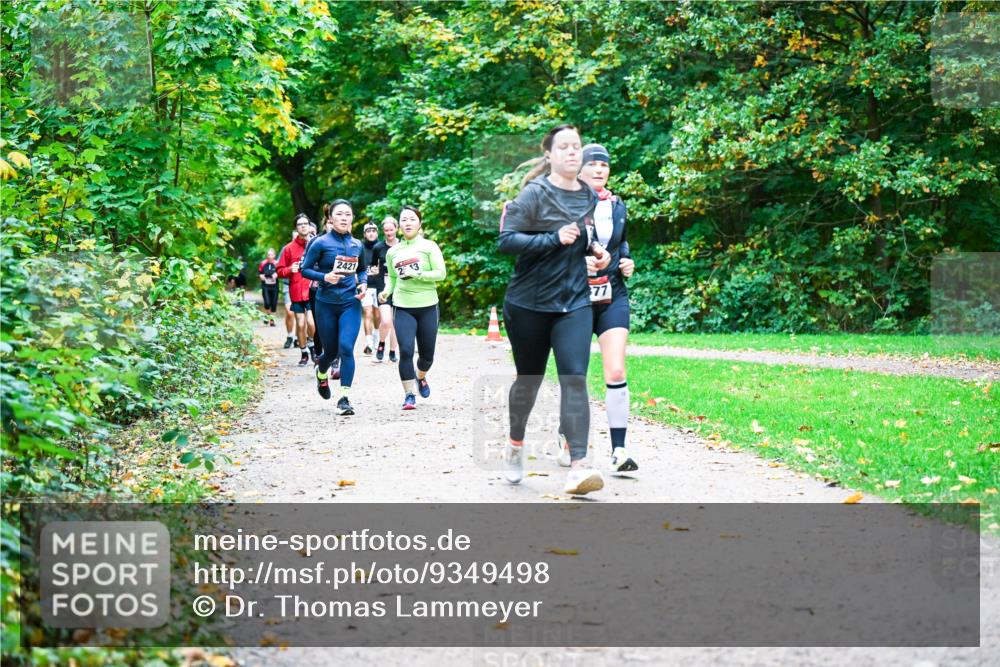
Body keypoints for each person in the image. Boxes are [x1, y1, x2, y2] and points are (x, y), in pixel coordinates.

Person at [497, 124, 610, 496]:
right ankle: (515, 444)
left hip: (573, 301)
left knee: (574, 378)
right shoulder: (534, 194)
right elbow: (507, 241)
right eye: (564, 147)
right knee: (528, 379)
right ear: (549, 154)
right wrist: (552, 238)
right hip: (528, 303)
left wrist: (595, 252)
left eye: (576, 147)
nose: (572, 153)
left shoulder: (588, 197)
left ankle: (578, 466)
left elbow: (584, 236)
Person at [572, 143, 638, 474]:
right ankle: (567, 435)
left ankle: (620, 450)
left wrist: (626, 261)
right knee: (576, 374)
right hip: (575, 298)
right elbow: (549, 249)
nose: (600, 170)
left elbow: (620, 243)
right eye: (593, 164)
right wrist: (575, 263)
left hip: (613, 295)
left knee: (616, 371)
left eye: (604, 165)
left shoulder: (617, 205)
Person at [302, 199, 367, 416]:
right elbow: (305, 270)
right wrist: (325, 277)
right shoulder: (320, 243)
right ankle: (322, 374)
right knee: (329, 352)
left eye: (348, 214)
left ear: (352, 218)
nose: (344, 218)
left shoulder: (358, 245)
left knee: (346, 348)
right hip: (326, 304)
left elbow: (362, 270)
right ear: (331, 217)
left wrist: (363, 283)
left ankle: (344, 398)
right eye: (339, 214)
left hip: (350, 302)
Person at [378, 206, 446, 410]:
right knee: (406, 351)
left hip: (427, 306)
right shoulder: (393, 252)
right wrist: (386, 291)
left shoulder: (429, 246)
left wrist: (420, 275)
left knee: (427, 356)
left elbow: (441, 273)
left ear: (419, 223)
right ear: (399, 226)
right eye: (404, 220)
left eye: (412, 219)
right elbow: (391, 276)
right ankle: (409, 394)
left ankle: (420, 376)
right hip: (403, 305)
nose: (408, 223)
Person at [275, 214, 315, 366]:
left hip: (312, 290)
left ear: (310, 226)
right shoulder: (288, 249)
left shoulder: (316, 244)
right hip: (296, 291)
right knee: (300, 324)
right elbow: (279, 271)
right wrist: (289, 270)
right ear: (296, 228)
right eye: (300, 224)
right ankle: (304, 352)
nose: (303, 226)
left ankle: (311, 344)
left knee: (311, 324)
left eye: (305, 223)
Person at [373, 216, 400, 363]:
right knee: (386, 320)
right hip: (383, 287)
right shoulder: (378, 247)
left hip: (400, 288)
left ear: (396, 228)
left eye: (391, 229)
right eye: (386, 230)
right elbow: (372, 266)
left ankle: (392, 351)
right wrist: (373, 270)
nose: (389, 233)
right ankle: (381, 344)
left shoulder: (403, 245)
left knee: (396, 323)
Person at [360, 222, 383, 355]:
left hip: (379, 286)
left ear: (377, 233)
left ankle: (375, 338)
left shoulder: (381, 246)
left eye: (373, 231)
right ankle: (368, 343)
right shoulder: (360, 247)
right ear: (364, 234)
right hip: (366, 286)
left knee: (378, 315)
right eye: (368, 231)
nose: (371, 233)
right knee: (367, 313)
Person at [278, 232, 298, 349]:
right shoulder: (287, 249)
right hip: (288, 284)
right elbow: (279, 266)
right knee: (290, 312)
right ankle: (290, 335)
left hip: (301, 285)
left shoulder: (308, 247)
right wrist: (289, 269)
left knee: (301, 314)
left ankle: (297, 338)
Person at [258, 248, 279, 326]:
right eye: (268, 255)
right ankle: (267, 317)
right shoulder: (263, 263)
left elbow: (281, 272)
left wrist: (277, 274)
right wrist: (261, 276)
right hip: (265, 286)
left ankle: (271, 320)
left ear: (274, 255)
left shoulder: (277, 263)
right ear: (267, 255)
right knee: (267, 303)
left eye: (271, 255)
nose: (270, 256)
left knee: (273, 303)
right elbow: (259, 273)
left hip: (274, 286)